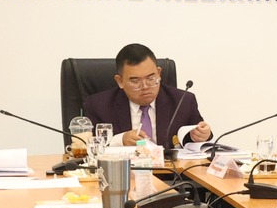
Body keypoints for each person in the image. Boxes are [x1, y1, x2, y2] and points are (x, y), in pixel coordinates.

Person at [80, 44, 211, 148]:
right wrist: (121, 140)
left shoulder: (183, 101)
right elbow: (87, 144)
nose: (145, 86)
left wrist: (203, 134)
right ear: (120, 81)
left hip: (171, 172)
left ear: (159, 73)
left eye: (151, 78)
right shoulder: (98, 106)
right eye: (135, 81)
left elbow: (198, 136)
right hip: (124, 171)